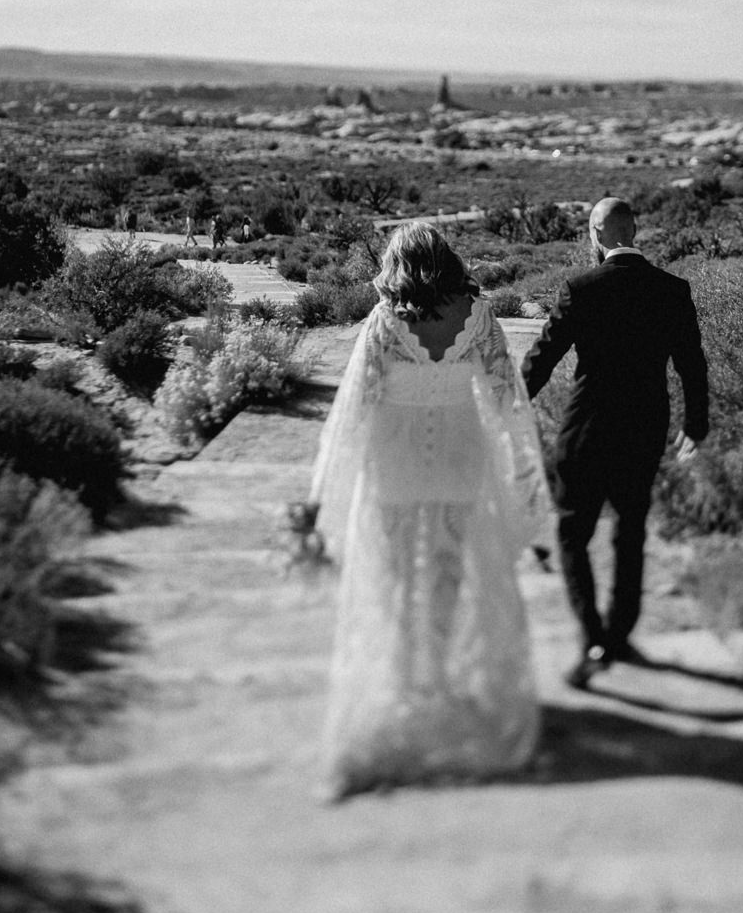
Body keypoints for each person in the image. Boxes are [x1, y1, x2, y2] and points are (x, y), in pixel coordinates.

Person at [302, 222, 551, 797]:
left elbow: (356, 405)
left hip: (395, 459)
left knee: (393, 571)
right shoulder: (479, 315)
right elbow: (506, 394)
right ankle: (437, 676)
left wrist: (327, 485)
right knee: (446, 568)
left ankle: (402, 680)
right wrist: (522, 471)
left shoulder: (386, 321)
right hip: (461, 457)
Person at [522, 197, 708, 688]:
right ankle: (619, 634)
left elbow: (541, 359)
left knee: (571, 534)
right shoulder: (672, 290)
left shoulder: (581, 288)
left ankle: (593, 636)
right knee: (630, 532)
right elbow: (692, 364)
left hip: (587, 429)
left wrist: (510, 406)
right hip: (644, 429)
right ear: (634, 230)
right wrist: (696, 423)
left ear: (596, 235)